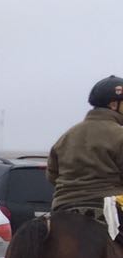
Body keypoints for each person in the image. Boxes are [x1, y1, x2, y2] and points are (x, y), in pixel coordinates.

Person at [48, 75, 123, 219]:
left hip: (62, 206)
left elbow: (52, 174)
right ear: (113, 105)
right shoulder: (120, 135)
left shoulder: (67, 135)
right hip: (108, 208)